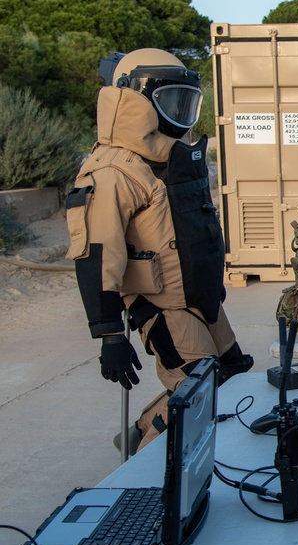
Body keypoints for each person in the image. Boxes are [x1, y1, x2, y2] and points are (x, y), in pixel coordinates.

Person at [66, 48, 253, 453]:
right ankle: (145, 484)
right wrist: (111, 334)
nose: (179, 113)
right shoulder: (113, 171)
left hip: (200, 299)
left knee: (230, 373)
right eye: (170, 100)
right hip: (163, 305)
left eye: (186, 101)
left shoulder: (173, 159)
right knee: (195, 393)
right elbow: (98, 256)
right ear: (134, 101)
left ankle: (143, 428)